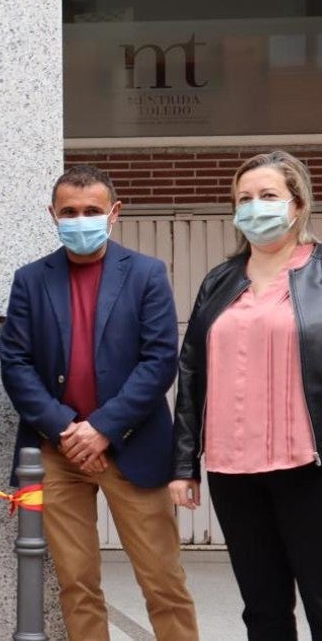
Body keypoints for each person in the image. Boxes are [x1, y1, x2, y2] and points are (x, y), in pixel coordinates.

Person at [0, 165, 198, 640]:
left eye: (91, 210)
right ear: (53, 214)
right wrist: (66, 428)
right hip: (59, 452)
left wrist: (103, 427)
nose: (80, 219)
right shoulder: (31, 280)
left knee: (163, 581)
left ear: (114, 212)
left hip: (133, 447)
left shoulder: (147, 274)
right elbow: (16, 365)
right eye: (69, 211)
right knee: (77, 584)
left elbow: (159, 362)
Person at [171, 150, 322, 640]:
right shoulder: (220, 280)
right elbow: (191, 370)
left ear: (297, 205)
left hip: (308, 468)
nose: (255, 207)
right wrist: (183, 465)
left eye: (269, 196)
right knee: (262, 607)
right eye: (245, 198)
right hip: (234, 471)